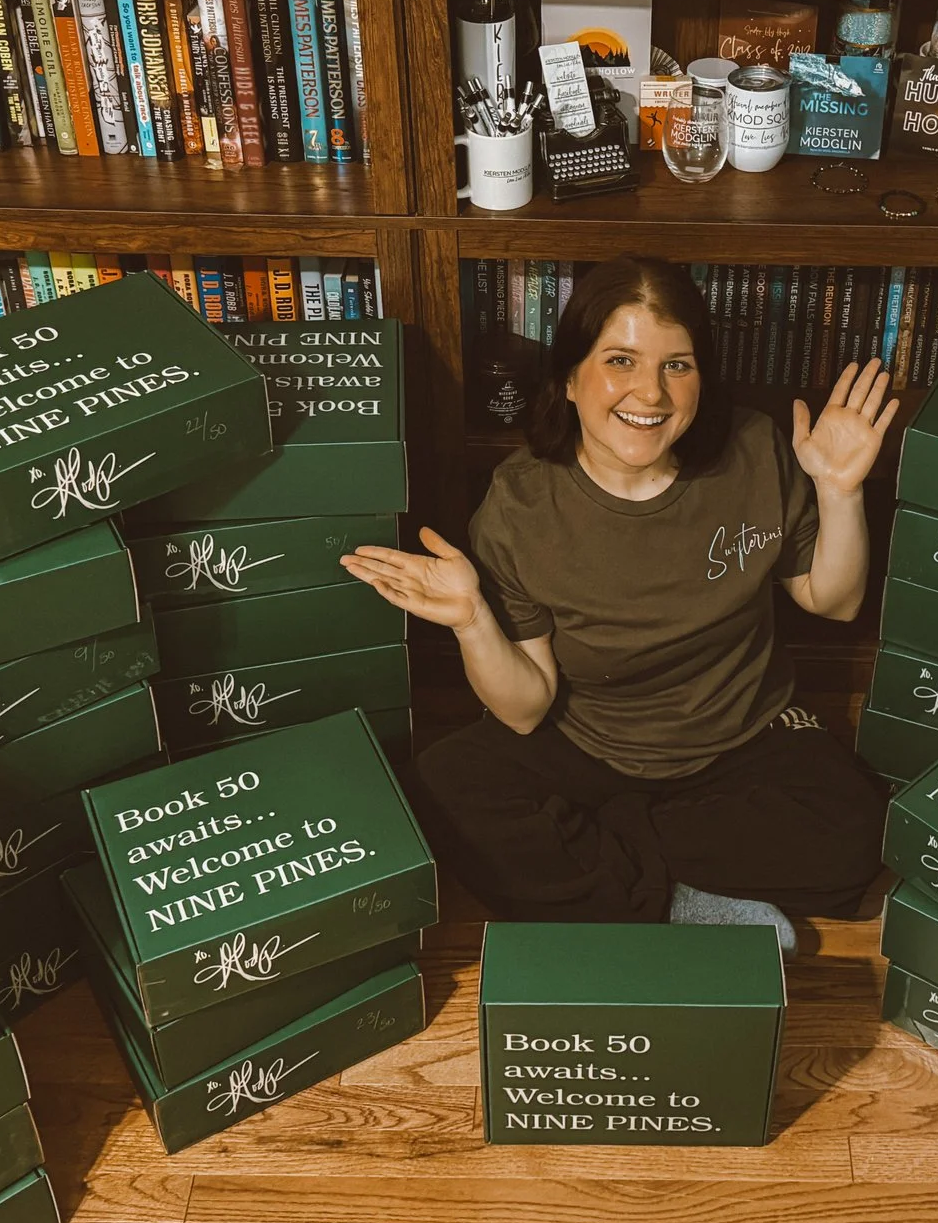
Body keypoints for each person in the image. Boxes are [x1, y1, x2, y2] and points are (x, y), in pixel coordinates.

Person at [340, 255, 896, 951]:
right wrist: (474, 621)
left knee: (859, 830)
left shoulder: (754, 448)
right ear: (570, 378)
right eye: (621, 360)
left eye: (677, 365)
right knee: (444, 790)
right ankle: (687, 900)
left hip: (745, 736)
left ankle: (618, 866)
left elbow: (835, 600)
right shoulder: (518, 504)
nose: (651, 393)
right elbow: (525, 707)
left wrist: (840, 491)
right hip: (588, 744)